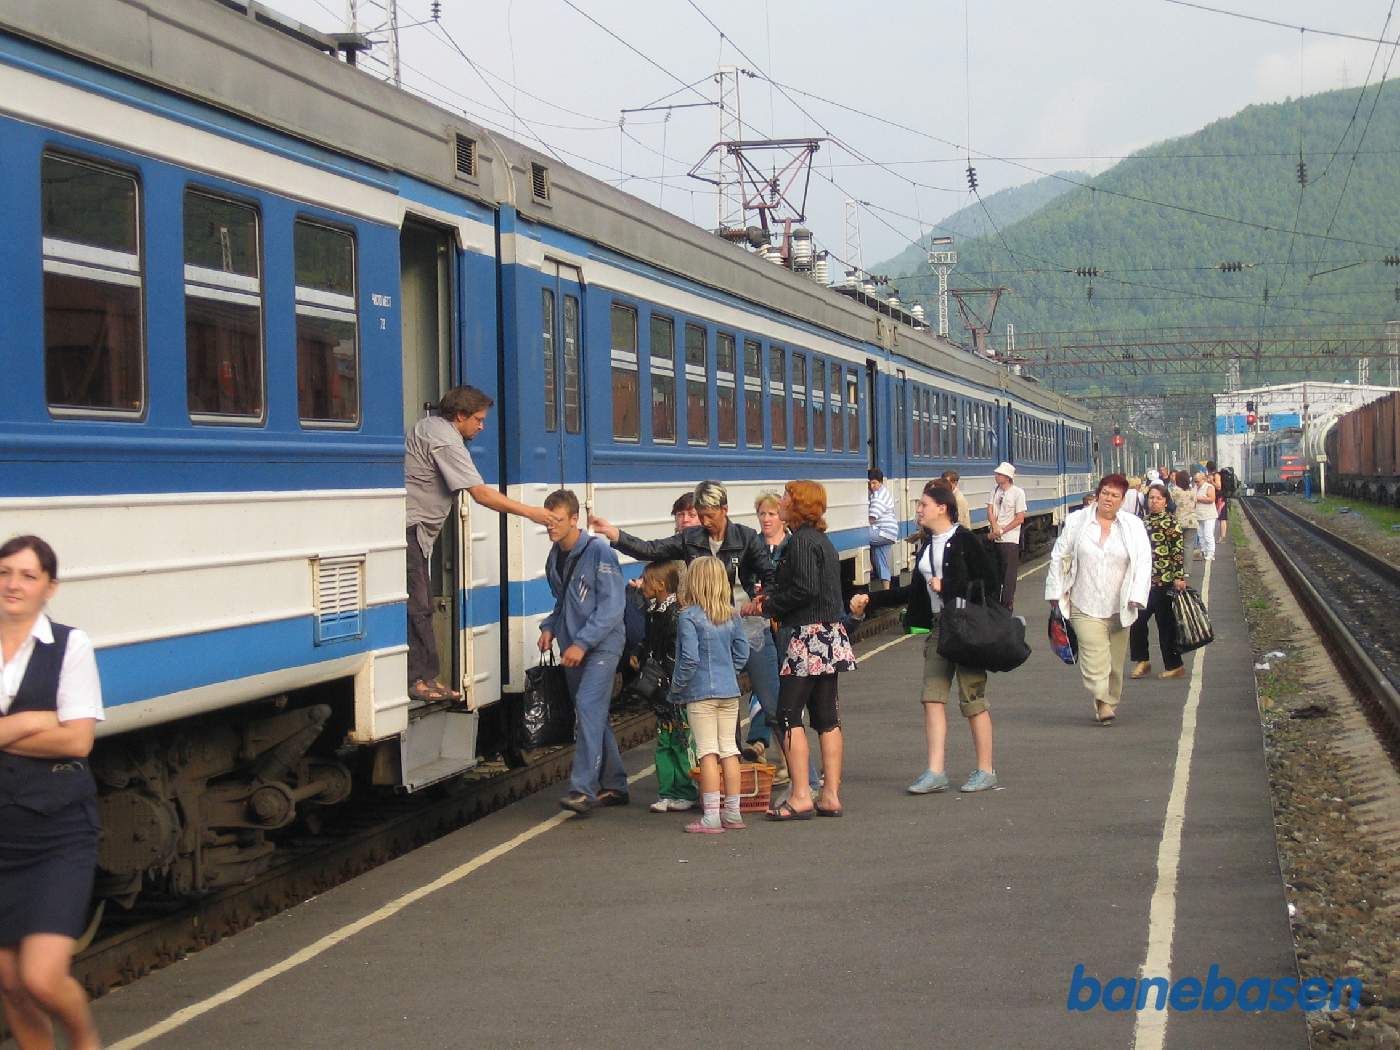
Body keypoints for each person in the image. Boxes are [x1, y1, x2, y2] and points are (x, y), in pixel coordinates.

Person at [589, 481, 787, 781]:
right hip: (711, 633)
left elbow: (770, 574)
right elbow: (651, 549)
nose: (705, 522)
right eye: (701, 515)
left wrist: (763, 600)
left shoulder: (745, 538)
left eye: (711, 515)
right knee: (723, 705)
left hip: (748, 628)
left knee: (773, 704)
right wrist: (615, 535)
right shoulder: (691, 538)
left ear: (725, 510)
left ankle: (799, 772)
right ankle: (723, 780)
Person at [0, 536, 104, 1050]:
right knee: (11, 985)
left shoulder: (70, 646)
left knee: (40, 978)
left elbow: (77, 739)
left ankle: (85, 1040)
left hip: (57, 831)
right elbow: (56, 731)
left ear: (49, 587)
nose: (13, 584)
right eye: (4, 572)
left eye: (27, 575)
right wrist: (26, 722)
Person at [406, 386, 559, 703]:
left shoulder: (430, 427)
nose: (481, 426)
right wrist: (532, 512)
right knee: (418, 606)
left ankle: (424, 677)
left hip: (416, 532)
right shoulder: (445, 438)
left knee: (419, 604)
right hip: (411, 531)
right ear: (459, 415)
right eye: (478, 419)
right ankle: (419, 680)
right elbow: (481, 493)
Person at [852, 483, 1001, 795]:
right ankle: (936, 771)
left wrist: (947, 586)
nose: (918, 509)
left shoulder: (965, 541)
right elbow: (914, 592)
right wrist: (871, 599)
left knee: (972, 698)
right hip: (938, 628)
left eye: (923, 504)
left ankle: (986, 769)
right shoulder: (929, 544)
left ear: (942, 508)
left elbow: (989, 583)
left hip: (966, 629)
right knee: (931, 697)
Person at [759, 481, 855, 820]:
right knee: (827, 717)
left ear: (798, 504)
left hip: (806, 636)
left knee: (787, 714)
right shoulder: (823, 541)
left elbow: (804, 588)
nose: (782, 502)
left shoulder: (799, 542)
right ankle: (830, 795)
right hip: (830, 635)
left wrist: (768, 605)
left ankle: (801, 795)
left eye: (786, 497)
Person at [538, 490, 630, 815]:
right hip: (572, 647)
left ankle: (582, 790)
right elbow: (563, 602)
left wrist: (582, 642)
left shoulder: (599, 553)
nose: (550, 526)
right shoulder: (554, 557)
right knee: (594, 715)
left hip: (602, 644)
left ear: (574, 519)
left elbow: (612, 607)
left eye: (557, 520)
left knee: (588, 706)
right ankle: (616, 784)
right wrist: (550, 626)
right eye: (547, 520)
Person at [1044, 475, 1153, 726]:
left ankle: (1109, 700)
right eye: (1105, 493)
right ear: (1098, 494)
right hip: (1085, 601)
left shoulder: (1133, 525)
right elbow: (1060, 556)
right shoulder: (1077, 521)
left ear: (1122, 500)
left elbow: (1143, 563)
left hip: (1120, 605)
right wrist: (1054, 593)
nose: (1108, 499)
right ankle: (1102, 703)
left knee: (1115, 663)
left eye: (1114, 495)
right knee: (1095, 656)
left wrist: (1137, 596)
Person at [669, 557, 751, 834]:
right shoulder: (731, 613)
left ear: (692, 582)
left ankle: (711, 817)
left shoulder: (688, 617)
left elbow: (689, 659)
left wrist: (676, 688)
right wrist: (730, 671)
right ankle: (733, 813)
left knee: (707, 752)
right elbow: (742, 651)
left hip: (700, 693)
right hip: (730, 691)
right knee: (729, 749)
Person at [637, 562, 697, 813]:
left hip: (673, 688)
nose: (641, 585)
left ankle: (684, 790)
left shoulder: (674, 614)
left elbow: (675, 651)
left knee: (681, 741)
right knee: (665, 740)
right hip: (662, 688)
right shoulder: (655, 610)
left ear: (661, 585)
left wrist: (672, 680)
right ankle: (667, 791)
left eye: (646, 581)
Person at [1130, 485, 1189, 680]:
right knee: (1137, 622)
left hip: (1164, 582)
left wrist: (1179, 577)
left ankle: (1174, 665)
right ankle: (1142, 660)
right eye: (1151, 498)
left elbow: (1177, 552)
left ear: (1165, 501)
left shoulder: (1171, 523)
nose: (1153, 501)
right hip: (1144, 582)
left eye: (1158, 498)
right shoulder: (1142, 522)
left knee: (1166, 626)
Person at [985, 462, 1027, 611]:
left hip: (1010, 539)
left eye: (999, 474)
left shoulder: (1018, 493)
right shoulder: (994, 491)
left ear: (1007, 477)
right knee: (995, 573)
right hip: (995, 537)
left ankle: (1007, 604)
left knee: (1008, 575)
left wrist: (1002, 530)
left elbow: (1020, 518)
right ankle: (994, 603)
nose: (996, 476)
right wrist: (995, 526)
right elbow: (989, 509)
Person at [866, 468, 898, 585]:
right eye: (870, 483)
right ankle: (887, 591)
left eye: (874, 483)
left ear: (881, 482)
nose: (872, 486)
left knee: (858, 537)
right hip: (890, 533)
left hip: (883, 531)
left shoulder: (878, 496)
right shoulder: (884, 492)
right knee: (882, 563)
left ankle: (868, 564)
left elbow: (872, 518)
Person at [1169, 470, 1197, 558]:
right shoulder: (1193, 491)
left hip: (1177, 521)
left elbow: (1170, 505)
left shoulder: (1174, 491)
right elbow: (1195, 505)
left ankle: (1178, 568)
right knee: (1188, 547)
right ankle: (1187, 571)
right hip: (1191, 521)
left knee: (1177, 546)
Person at [1192, 470, 1218, 562]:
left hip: (1209, 515)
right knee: (1201, 535)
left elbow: (1211, 499)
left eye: (1197, 481)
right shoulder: (1195, 488)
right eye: (1195, 481)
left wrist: (1198, 498)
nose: (1196, 483)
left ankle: (1211, 553)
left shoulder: (1209, 487)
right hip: (1198, 514)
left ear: (1203, 479)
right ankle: (1204, 551)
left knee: (1208, 534)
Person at [941, 470, 972, 540]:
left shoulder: (958, 499)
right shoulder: (948, 495)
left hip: (960, 536)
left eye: (947, 482)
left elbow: (959, 521)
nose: (944, 485)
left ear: (955, 483)